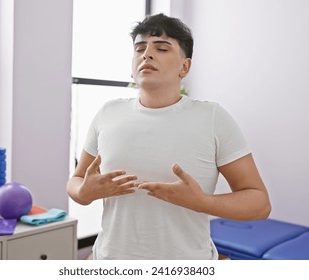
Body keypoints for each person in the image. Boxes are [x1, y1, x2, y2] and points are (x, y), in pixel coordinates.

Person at [67, 13, 271, 260]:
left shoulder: (213, 117)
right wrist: (84, 193)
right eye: (139, 49)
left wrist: (201, 201)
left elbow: (259, 203)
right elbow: (76, 181)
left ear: (184, 67)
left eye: (161, 48)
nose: (146, 54)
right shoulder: (108, 112)